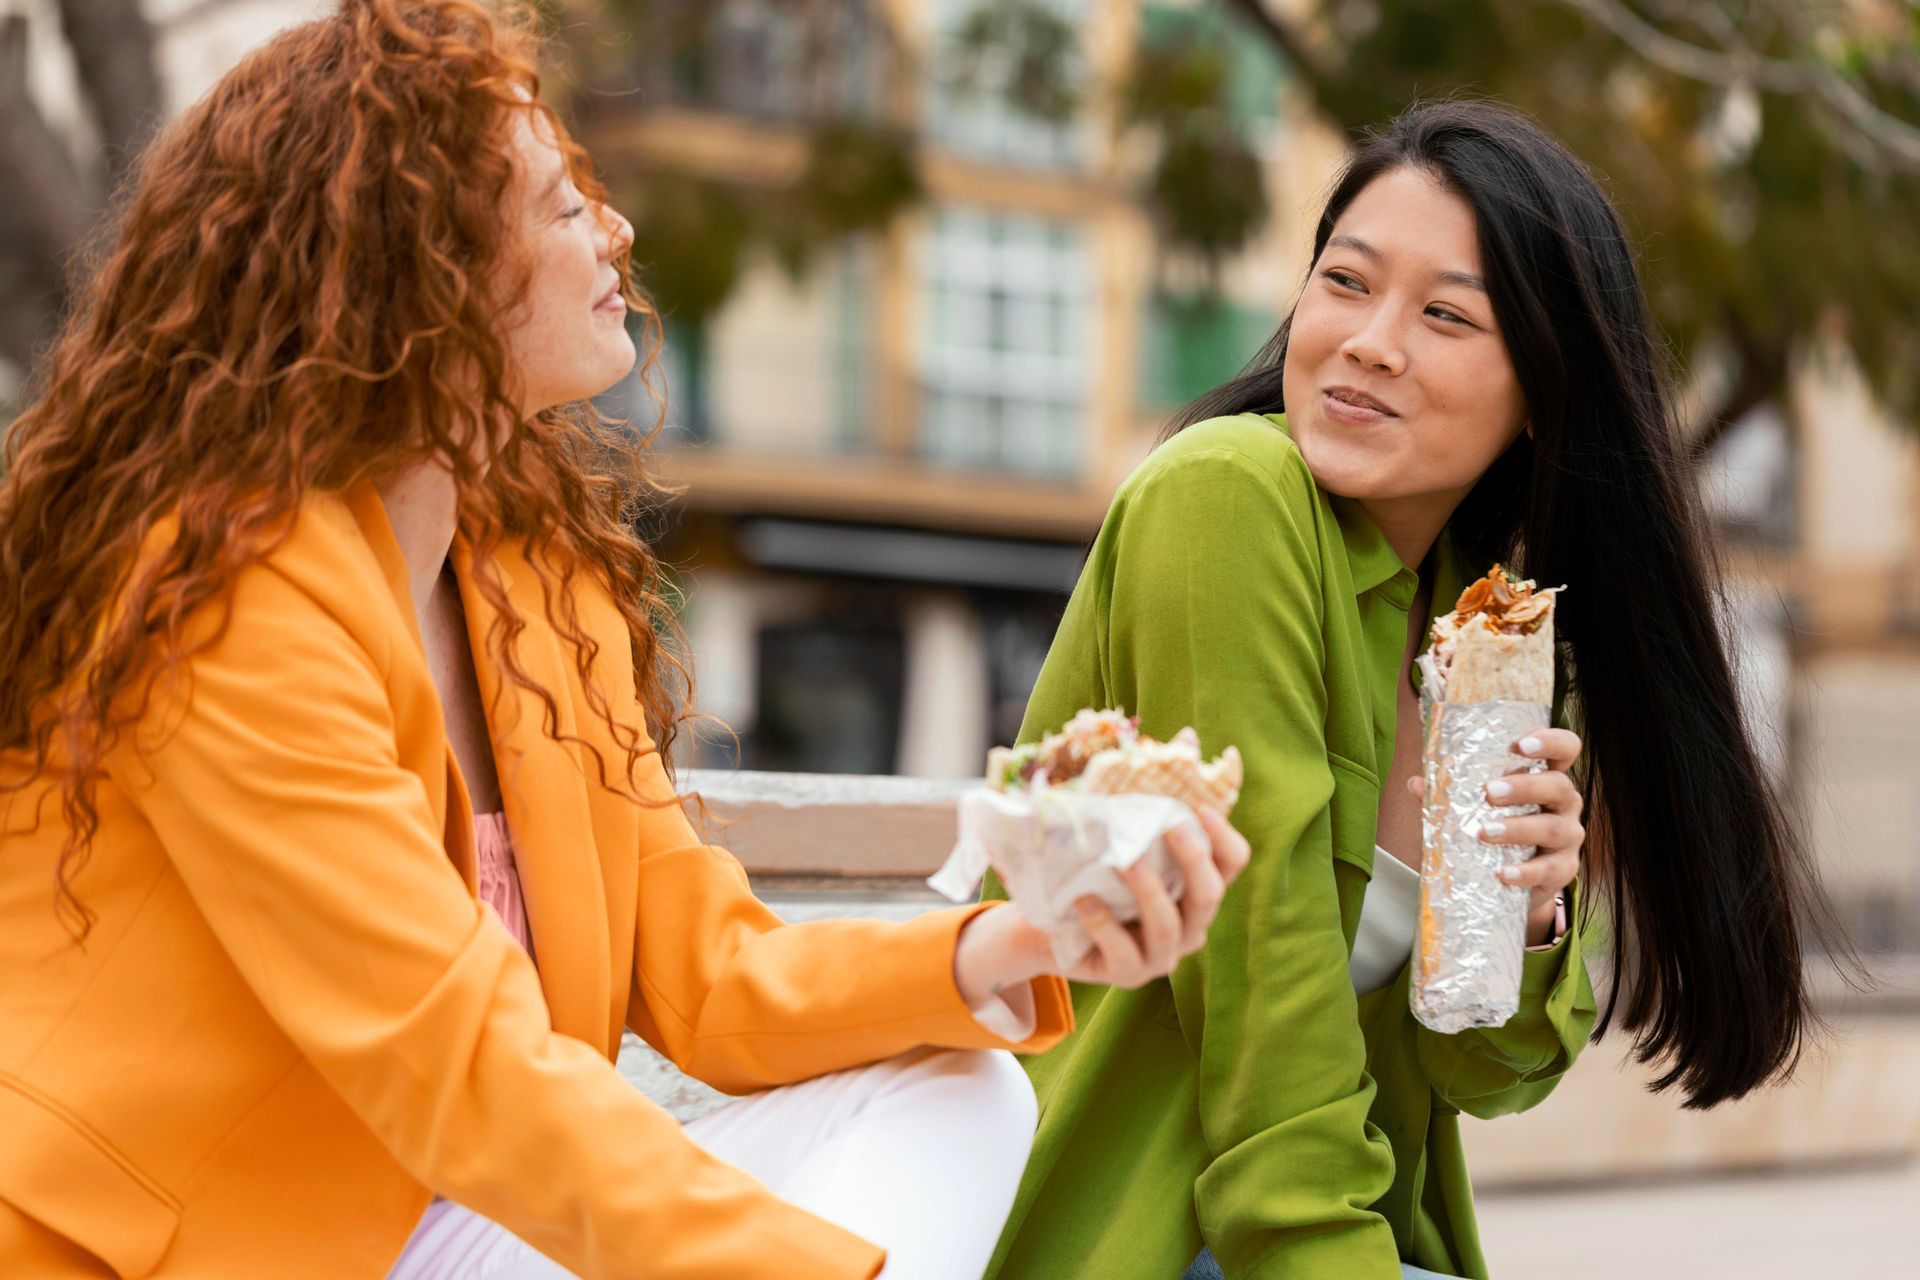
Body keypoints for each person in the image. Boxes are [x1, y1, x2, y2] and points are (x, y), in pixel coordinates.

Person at [0, 3, 1251, 1277]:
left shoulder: (536, 577)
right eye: (557, 207)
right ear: (419, 273)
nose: (618, 232)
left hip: (460, 1208)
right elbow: (457, 1059)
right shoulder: (226, 588)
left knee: (961, 1084)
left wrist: (1019, 941)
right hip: (228, 1243)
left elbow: (703, 969)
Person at [982, 100, 1838, 1280]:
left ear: (1542, 390)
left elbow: (1483, 1075)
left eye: (1444, 314)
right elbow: (1259, 965)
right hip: (1116, 1231)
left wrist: (1534, 913)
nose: (1371, 341)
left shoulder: (1494, 629)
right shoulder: (1227, 494)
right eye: (1345, 282)